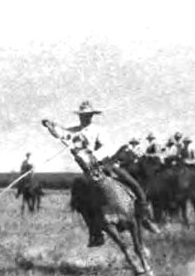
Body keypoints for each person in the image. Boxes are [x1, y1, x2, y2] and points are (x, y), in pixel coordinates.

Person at [42, 101, 157, 246]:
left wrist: (92, 155)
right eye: (83, 115)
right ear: (79, 116)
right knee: (80, 198)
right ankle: (95, 233)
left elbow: (105, 146)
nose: (86, 117)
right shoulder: (73, 132)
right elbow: (61, 134)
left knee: (133, 183)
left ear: (92, 116)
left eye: (88, 115)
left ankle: (145, 216)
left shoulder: (98, 130)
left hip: (104, 164)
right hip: (88, 170)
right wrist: (49, 125)